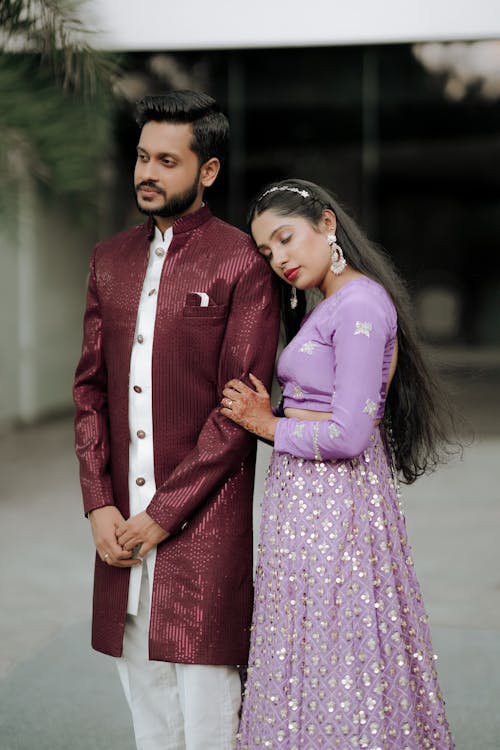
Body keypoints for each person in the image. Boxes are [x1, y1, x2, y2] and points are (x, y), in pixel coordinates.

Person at [73, 90, 280, 750]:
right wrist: (100, 505)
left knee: (208, 707)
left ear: (208, 171)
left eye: (167, 160)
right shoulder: (110, 258)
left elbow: (237, 411)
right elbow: (88, 394)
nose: (147, 173)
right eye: (141, 157)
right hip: (120, 530)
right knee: (146, 707)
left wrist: (163, 515)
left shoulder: (242, 261)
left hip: (203, 526)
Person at [220, 179, 459, 749]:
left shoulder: (359, 304)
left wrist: (266, 425)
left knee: (338, 648)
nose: (278, 259)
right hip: (307, 501)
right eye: (266, 251)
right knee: (310, 645)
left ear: (328, 225)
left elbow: (350, 433)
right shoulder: (335, 303)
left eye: (285, 238)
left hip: (336, 504)